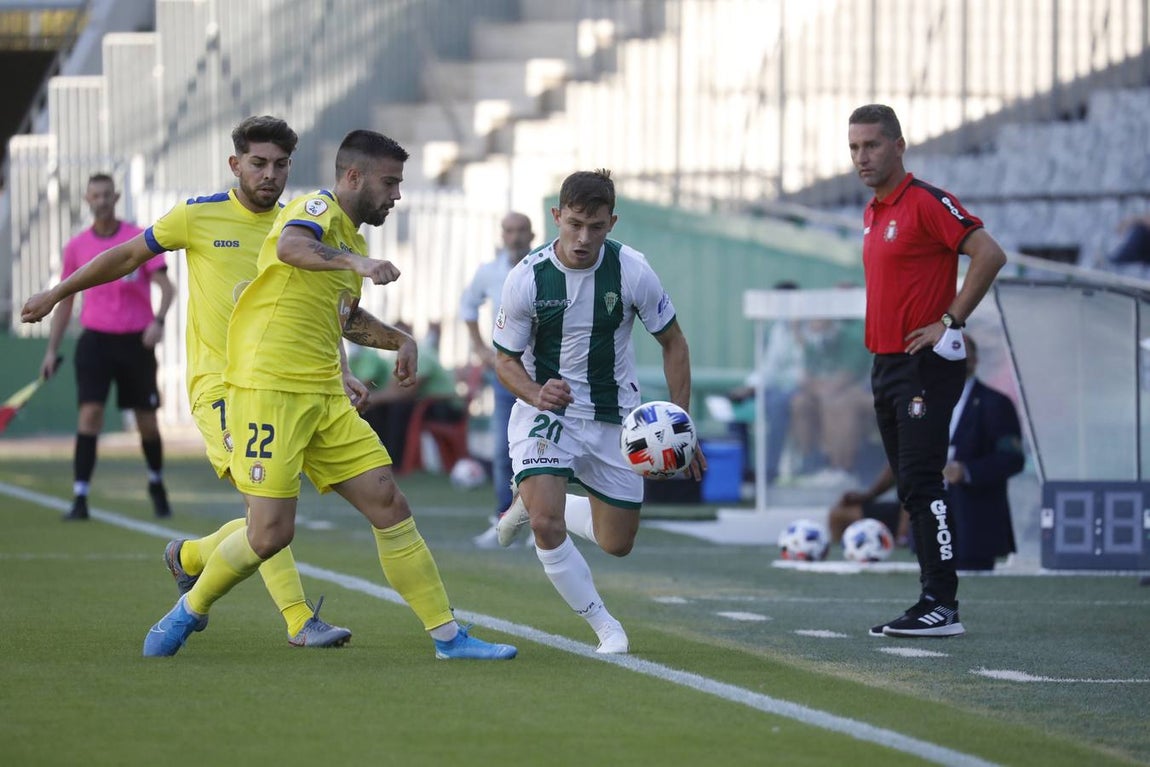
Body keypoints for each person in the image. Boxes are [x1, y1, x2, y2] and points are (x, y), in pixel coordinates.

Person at [139, 129, 516, 660]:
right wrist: (354, 264)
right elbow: (293, 246)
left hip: (322, 395)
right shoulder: (314, 208)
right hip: (268, 391)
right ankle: (189, 609)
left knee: (389, 502)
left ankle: (448, 638)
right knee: (269, 534)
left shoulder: (352, 240)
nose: (397, 195)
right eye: (391, 182)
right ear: (354, 177)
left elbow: (344, 318)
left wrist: (399, 340)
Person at [23, 116, 352, 648]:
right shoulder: (198, 217)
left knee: (267, 517)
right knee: (260, 507)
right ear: (235, 164)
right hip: (220, 389)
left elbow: (313, 307)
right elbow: (128, 255)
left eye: (281, 164)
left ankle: (190, 556)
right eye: (259, 163)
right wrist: (58, 294)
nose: (271, 174)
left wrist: (343, 366)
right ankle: (297, 620)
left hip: (281, 385)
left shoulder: (300, 226)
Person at [491, 169, 705, 653]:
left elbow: (674, 343)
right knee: (548, 526)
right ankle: (605, 626)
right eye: (574, 224)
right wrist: (533, 392)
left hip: (616, 416)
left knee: (617, 543)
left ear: (613, 221)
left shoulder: (633, 270)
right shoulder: (527, 277)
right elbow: (503, 360)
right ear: (556, 217)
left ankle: (536, 498)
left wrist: (681, 426)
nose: (584, 238)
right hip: (547, 412)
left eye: (596, 226)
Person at [848, 104, 1007, 638]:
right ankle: (932, 601)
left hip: (924, 364)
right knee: (912, 487)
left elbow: (989, 254)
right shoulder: (874, 211)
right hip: (886, 363)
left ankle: (942, 603)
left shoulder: (926, 201)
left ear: (898, 145)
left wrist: (949, 320)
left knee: (921, 479)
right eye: (853, 148)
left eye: (871, 145)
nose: (861, 157)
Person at [34, 173, 175, 522]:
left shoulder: (137, 239)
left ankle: (156, 482)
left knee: (147, 422)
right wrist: (51, 351)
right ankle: (80, 496)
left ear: (116, 197)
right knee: (90, 415)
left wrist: (157, 323)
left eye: (107, 195)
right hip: (96, 341)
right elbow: (65, 300)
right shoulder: (76, 247)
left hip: (135, 342)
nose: (101, 200)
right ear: (87, 199)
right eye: (95, 195)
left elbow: (166, 287)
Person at [461, 212, 535, 547]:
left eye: (521, 231)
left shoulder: (545, 265)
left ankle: (543, 523)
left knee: (548, 446)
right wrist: (479, 347)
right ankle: (504, 518)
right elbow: (468, 307)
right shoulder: (490, 272)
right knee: (505, 448)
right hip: (507, 371)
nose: (515, 236)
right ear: (502, 235)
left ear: (531, 234)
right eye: (510, 230)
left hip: (544, 372)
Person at [941, 335, 1025, 570]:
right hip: (934, 519)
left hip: (973, 523)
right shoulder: (927, 401)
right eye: (949, 351)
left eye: (961, 351)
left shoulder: (995, 403)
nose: (954, 358)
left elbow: (1012, 458)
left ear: (974, 360)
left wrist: (967, 471)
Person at [351, 321, 464, 467]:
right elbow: (393, 390)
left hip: (447, 407)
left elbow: (405, 392)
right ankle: (375, 457)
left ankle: (395, 461)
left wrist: (371, 398)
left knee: (398, 409)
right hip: (425, 404)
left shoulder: (421, 355)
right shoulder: (396, 357)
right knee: (378, 409)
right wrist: (370, 400)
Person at [727, 280, 803, 486]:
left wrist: (758, 386)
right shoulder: (774, 328)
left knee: (777, 406)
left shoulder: (804, 330)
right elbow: (766, 366)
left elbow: (799, 370)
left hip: (792, 390)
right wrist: (751, 387)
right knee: (736, 409)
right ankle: (744, 473)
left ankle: (769, 472)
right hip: (769, 388)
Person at [826, 462, 908, 546]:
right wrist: (867, 496)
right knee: (838, 515)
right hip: (901, 508)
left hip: (916, 512)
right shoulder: (901, 455)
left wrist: (902, 533)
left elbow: (914, 488)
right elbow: (894, 467)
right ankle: (845, 555)